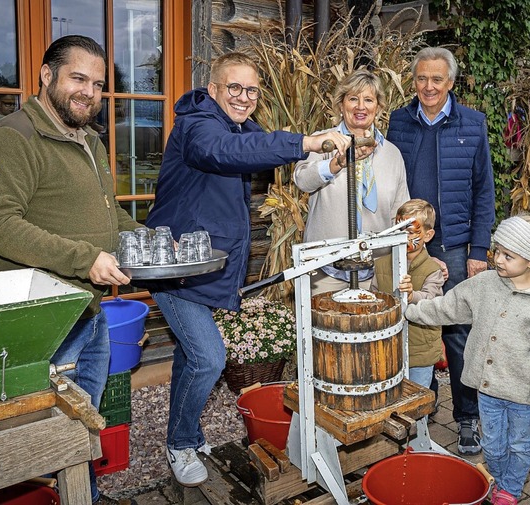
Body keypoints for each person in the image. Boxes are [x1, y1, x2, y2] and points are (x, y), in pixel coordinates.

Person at [144, 52, 351, 487]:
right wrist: (306, 141)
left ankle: (188, 432)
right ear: (214, 89)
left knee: (189, 355)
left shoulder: (239, 126)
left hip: (205, 266)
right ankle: (179, 443)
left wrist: (327, 160)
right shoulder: (199, 125)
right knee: (208, 357)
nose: (243, 97)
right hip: (176, 265)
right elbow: (224, 152)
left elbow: (264, 150)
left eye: (252, 90)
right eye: (234, 88)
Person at [0, 35, 139, 505]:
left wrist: (145, 239)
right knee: (34, 433)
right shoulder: (12, 135)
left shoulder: (90, 140)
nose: (89, 92)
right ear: (47, 75)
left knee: (84, 418)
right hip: (42, 318)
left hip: (89, 308)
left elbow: (108, 216)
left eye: (98, 84)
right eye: (78, 78)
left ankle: (83, 494)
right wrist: (84, 258)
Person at [405, 214, 530, 505]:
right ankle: (501, 483)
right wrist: (411, 307)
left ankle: (509, 491)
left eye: (508, 255)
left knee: (519, 445)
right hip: (488, 391)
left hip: (522, 396)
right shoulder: (485, 284)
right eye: (497, 251)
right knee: (492, 446)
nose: (498, 260)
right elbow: (446, 307)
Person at [386, 46, 495, 455]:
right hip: (406, 245)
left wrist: (478, 248)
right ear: (413, 81)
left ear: (451, 82)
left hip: (452, 246)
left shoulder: (473, 123)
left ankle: (467, 419)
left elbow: (484, 191)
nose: (428, 87)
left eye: (437, 79)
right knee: (411, 326)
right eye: (421, 79)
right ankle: (421, 409)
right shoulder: (399, 121)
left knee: (457, 335)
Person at [293, 69, 410, 294]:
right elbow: (302, 180)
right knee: (323, 328)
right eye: (353, 99)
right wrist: (336, 164)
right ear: (341, 104)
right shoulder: (323, 142)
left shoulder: (392, 154)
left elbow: (400, 213)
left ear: (379, 107)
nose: (360, 107)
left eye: (368, 100)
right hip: (324, 269)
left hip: (376, 274)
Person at [372, 199, 445, 388]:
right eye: (399, 230)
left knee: (416, 402)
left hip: (420, 352)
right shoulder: (381, 264)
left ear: (428, 235)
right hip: (388, 349)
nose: (403, 237)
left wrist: (412, 296)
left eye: (410, 232)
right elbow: (373, 298)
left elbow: (433, 302)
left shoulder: (433, 269)